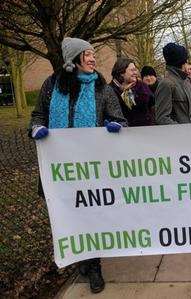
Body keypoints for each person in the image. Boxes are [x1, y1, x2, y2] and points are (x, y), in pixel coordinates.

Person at [29, 37, 127, 294]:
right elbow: (37, 115)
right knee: (68, 215)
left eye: (93, 54)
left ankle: (94, 266)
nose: (93, 58)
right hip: (60, 169)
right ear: (73, 58)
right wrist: (37, 128)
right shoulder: (52, 85)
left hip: (91, 168)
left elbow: (119, 120)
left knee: (90, 214)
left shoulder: (101, 88)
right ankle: (82, 258)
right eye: (87, 54)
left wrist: (114, 128)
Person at [110, 58, 155, 126]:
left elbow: (150, 104)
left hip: (145, 130)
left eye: (135, 70)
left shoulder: (141, 86)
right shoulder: (110, 90)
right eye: (132, 70)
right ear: (122, 72)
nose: (135, 73)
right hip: (123, 132)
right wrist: (124, 93)